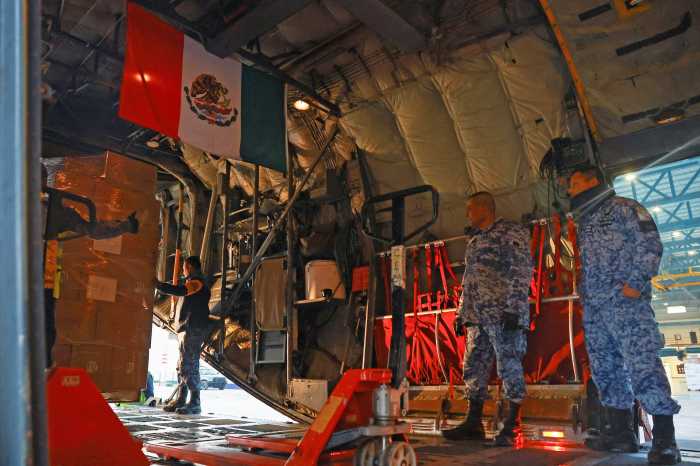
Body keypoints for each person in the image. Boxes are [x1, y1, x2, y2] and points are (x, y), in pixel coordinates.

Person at [567, 166, 681, 465]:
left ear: (593, 181)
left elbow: (651, 245)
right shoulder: (586, 221)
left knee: (643, 365)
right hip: (596, 308)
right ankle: (621, 433)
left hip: (625, 304)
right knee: (606, 369)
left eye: (576, 183)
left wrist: (634, 284)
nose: (571, 190)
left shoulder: (626, 208)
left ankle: (666, 440)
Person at [442, 192, 531, 446]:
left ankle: (510, 427)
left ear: (484, 208)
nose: (467, 214)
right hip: (477, 316)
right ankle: (473, 423)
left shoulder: (509, 232)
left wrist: (514, 308)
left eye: (470, 209)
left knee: (509, 366)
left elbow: (521, 269)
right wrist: (462, 313)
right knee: (473, 367)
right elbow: (469, 279)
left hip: (503, 315)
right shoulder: (475, 239)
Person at [42, 164, 139, 368]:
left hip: (30, 281)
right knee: (44, 331)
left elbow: (92, 229)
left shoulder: (21, 203)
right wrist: (125, 226)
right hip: (42, 282)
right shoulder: (56, 210)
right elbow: (92, 230)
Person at [155, 256, 211, 415]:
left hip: (193, 327)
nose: (183, 270)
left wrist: (159, 285)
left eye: (184, 267)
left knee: (189, 364)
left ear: (191, 267)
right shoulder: (193, 282)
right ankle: (181, 398)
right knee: (182, 364)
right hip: (186, 328)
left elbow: (180, 290)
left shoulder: (197, 282)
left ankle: (195, 401)